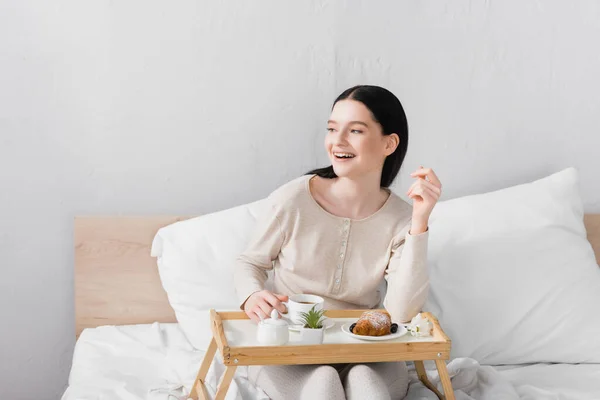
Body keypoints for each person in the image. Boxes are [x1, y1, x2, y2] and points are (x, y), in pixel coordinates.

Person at [234, 85, 442, 400]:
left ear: (389, 143)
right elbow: (250, 262)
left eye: (355, 130)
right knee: (323, 384)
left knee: (366, 386)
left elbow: (401, 313)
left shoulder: (402, 217)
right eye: (332, 129)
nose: (338, 141)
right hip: (292, 346)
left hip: (366, 352)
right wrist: (251, 295)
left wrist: (419, 223)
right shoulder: (293, 199)